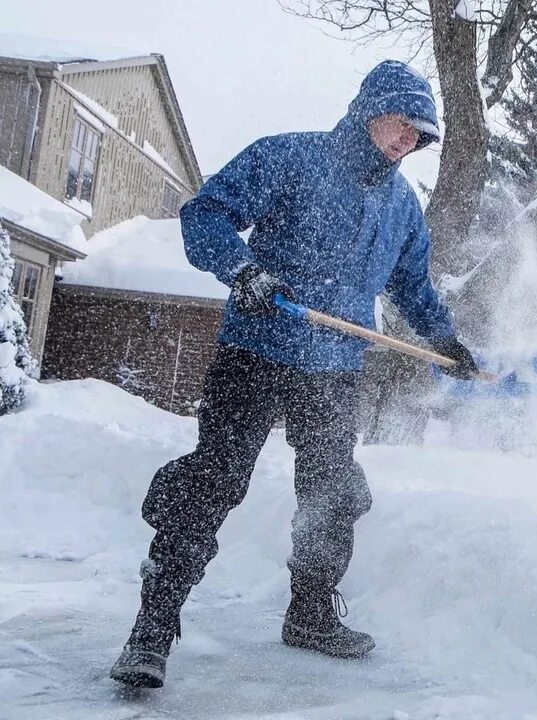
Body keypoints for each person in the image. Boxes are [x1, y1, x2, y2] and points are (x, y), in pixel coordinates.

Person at [110, 61, 478, 689]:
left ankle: (310, 614)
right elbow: (207, 214)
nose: (406, 141)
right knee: (215, 480)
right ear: (371, 110)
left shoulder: (401, 208)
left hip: (335, 369)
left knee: (333, 494)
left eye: (419, 136)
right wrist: (243, 270)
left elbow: (412, 284)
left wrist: (445, 339)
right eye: (401, 126)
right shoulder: (290, 157)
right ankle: (152, 629)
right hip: (258, 349)